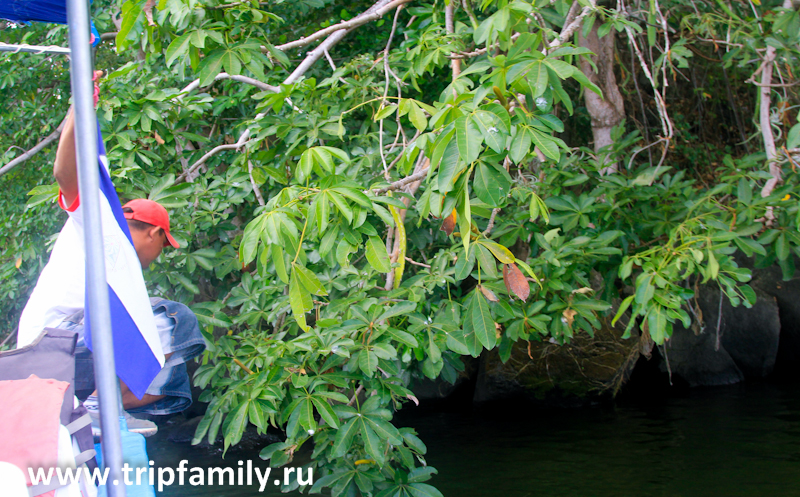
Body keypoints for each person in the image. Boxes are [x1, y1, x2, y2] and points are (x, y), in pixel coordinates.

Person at [17, 82, 206, 436]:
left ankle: (100, 408)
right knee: (176, 317)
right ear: (154, 232)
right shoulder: (96, 220)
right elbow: (65, 173)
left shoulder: (121, 265)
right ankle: (101, 405)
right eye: (164, 246)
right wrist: (80, 106)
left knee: (175, 379)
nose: (159, 257)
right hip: (51, 344)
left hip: (77, 347)